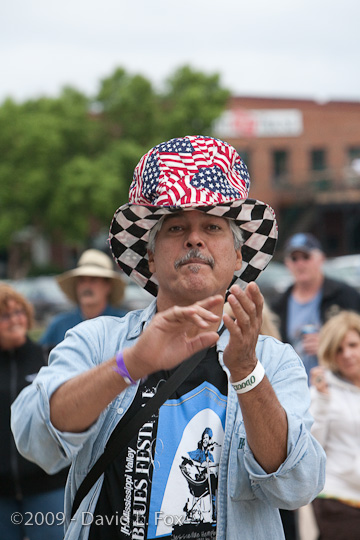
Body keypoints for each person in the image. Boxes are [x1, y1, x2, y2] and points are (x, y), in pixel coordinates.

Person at [11, 135, 325, 540]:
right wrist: (130, 365)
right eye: (176, 227)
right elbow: (33, 437)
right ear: (151, 257)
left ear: (237, 257)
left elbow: (296, 486)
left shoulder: (274, 362)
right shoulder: (98, 342)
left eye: (212, 226)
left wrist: (247, 373)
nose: (194, 238)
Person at [0, 284, 67, 540]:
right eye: (5, 315)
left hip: (47, 486)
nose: (15, 319)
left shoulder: (49, 358)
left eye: (19, 312)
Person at [272, 232, 360, 381]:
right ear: (287, 264)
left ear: (321, 259)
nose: (300, 264)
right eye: (294, 258)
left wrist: (328, 344)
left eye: (306, 257)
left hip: (340, 385)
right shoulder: (280, 304)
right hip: (295, 386)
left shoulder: (344, 295)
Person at [309, 311, 360, 539]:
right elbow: (312, 446)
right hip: (336, 497)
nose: (347, 354)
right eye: (339, 349)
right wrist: (322, 401)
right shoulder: (322, 390)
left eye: (352, 345)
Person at [39, 249, 127, 352]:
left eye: (93, 280)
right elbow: (38, 360)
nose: (86, 286)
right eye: (82, 280)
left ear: (108, 286)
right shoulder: (59, 325)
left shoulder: (124, 324)